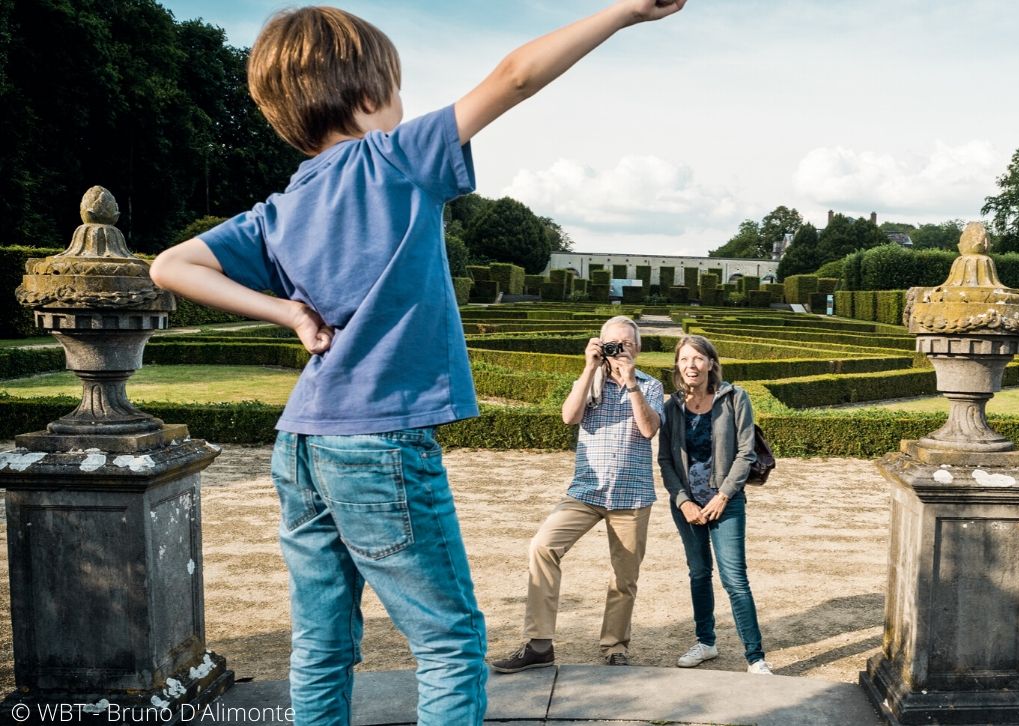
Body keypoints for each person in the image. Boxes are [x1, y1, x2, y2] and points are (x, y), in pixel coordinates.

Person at [149, 2, 685, 722]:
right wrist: (622, 12)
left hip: (301, 442)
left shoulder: (277, 211)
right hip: (379, 441)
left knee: (321, 646)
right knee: (449, 642)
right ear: (370, 98)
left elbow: (170, 266)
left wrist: (287, 311)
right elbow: (516, 77)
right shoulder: (393, 159)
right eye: (397, 93)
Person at [491, 316, 665, 673]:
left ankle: (615, 646)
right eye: (612, 344)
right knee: (543, 546)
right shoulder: (589, 381)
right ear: (599, 346)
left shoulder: (650, 386)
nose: (620, 350)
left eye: (627, 344)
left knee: (624, 576)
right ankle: (539, 644)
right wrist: (589, 369)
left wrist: (630, 382)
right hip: (586, 491)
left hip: (632, 496)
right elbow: (569, 417)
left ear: (639, 348)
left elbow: (648, 430)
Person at [657, 335, 771, 674]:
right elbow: (664, 461)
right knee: (698, 574)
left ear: (710, 363)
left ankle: (755, 657)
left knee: (735, 580)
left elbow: (745, 452)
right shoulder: (671, 407)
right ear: (677, 366)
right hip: (687, 506)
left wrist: (723, 495)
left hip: (727, 503)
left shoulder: (735, 398)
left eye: (697, 359)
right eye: (684, 360)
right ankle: (705, 642)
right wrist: (682, 501)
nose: (691, 366)